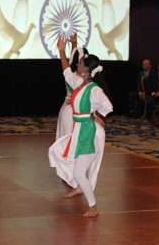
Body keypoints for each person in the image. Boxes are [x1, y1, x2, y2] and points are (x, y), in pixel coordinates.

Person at [49, 35, 113, 218]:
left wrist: (95, 115)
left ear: (86, 68)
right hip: (80, 131)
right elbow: (66, 72)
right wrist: (61, 51)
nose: (77, 64)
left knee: (78, 171)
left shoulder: (94, 89)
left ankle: (93, 206)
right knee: (57, 151)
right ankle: (85, 194)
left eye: (80, 62)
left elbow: (108, 106)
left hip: (91, 133)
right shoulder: (80, 83)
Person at [56, 33, 87, 139]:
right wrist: (61, 51)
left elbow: (72, 59)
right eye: (80, 62)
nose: (79, 64)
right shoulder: (74, 78)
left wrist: (74, 43)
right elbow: (68, 66)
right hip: (70, 113)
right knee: (67, 142)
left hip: (74, 111)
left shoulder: (83, 77)